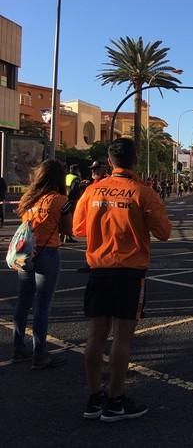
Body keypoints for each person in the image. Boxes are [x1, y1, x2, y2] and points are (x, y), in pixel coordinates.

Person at [73, 138, 172, 422]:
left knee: (95, 335)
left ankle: (94, 399)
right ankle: (115, 401)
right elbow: (164, 232)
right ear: (135, 159)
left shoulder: (92, 190)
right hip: (129, 271)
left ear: (110, 160)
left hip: (98, 270)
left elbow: (78, 228)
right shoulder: (143, 192)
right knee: (123, 337)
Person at [12, 160, 72, 369]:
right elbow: (67, 230)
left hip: (26, 252)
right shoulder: (60, 200)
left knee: (23, 301)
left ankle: (18, 346)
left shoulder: (28, 199)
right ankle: (40, 354)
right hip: (48, 252)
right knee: (42, 306)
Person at [63, 164, 81, 243]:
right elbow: (75, 190)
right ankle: (68, 236)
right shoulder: (76, 178)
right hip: (72, 199)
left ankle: (62, 236)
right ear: (76, 170)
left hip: (64, 198)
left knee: (64, 217)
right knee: (71, 218)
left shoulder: (67, 176)